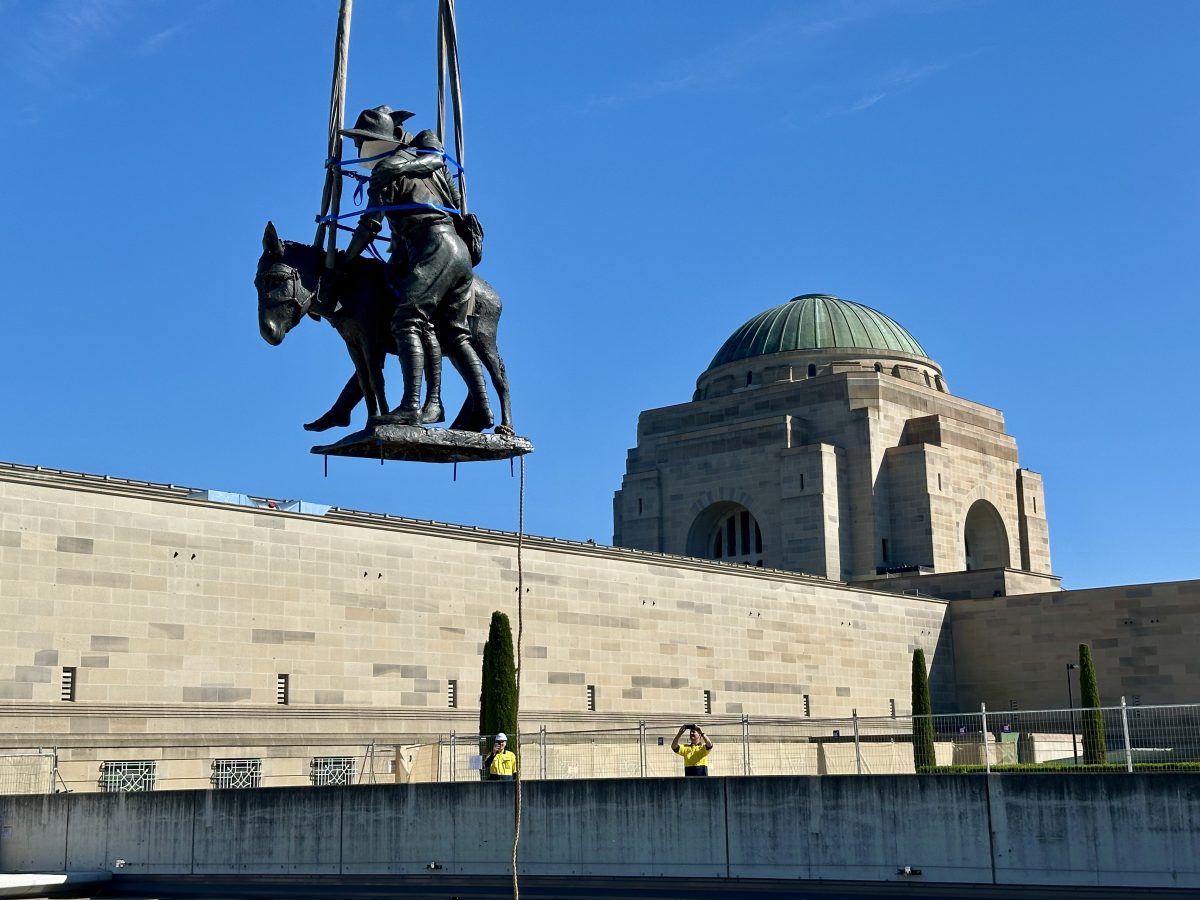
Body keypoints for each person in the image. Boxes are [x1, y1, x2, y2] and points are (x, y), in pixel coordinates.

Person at [336, 105, 494, 431]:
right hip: (450, 253)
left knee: (406, 319)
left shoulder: (415, 150)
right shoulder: (384, 173)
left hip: (436, 247)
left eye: (361, 140)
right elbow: (371, 226)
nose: (356, 149)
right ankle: (480, 406)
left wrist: (344, 262)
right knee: (451, 331)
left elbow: (369, 228)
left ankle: (410, 406)